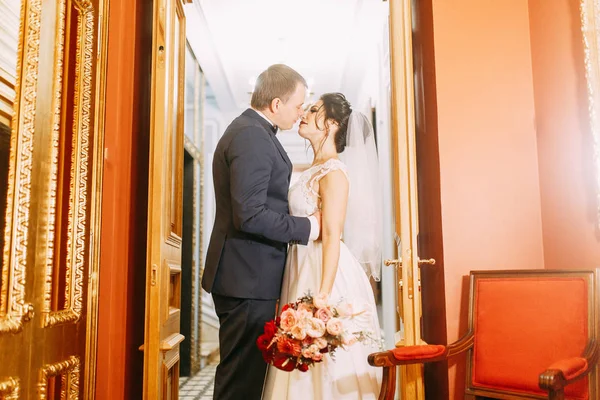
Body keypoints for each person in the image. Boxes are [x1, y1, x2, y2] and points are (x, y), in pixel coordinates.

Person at [202, 64, 321, 400]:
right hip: (247, 279)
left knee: (246, 376)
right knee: (241, 380)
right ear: (276, 104)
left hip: (248, 276)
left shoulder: (253, 131)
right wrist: (308, 226)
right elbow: (251, 215)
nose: (301, 113)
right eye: (298, 105)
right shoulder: (252, 136)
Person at [262, 93, 383, 399]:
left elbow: (331, 235)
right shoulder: (313, 169)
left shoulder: (335, 173)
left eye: (313, 109)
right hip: (299, 264)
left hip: (324, 269)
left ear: (330, 124)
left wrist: (323, 297)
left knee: (326, 356)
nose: (303, 112)